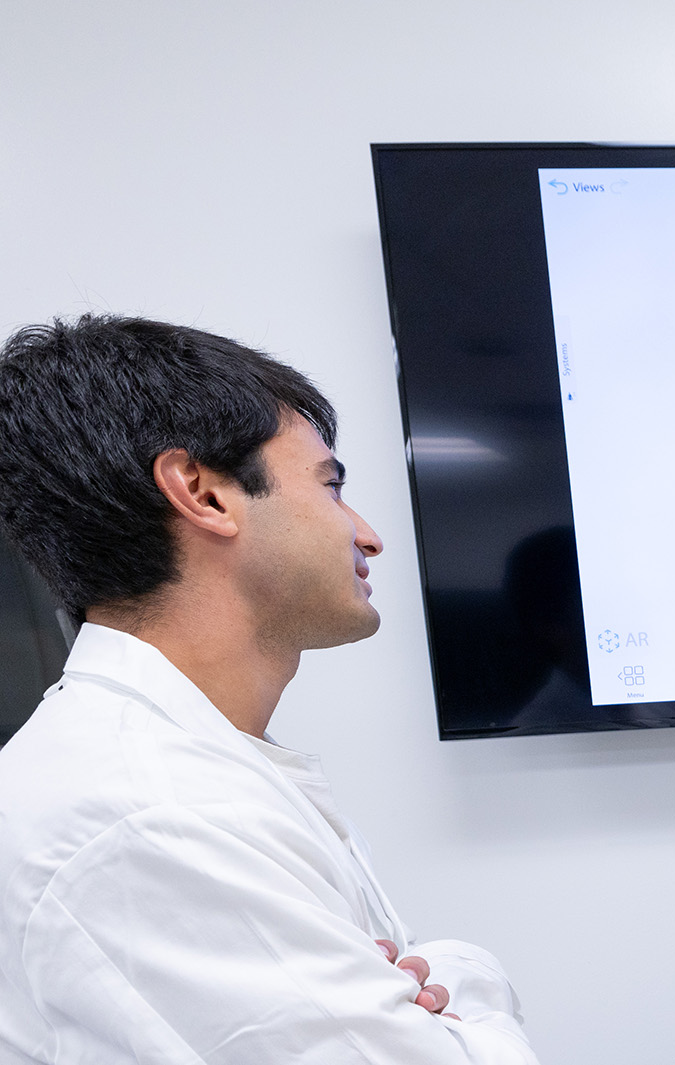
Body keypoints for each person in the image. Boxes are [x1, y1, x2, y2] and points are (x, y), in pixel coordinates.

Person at [0, 317, 538, 1063]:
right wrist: (471, 975)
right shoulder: (153, 814)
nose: (368, 534)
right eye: (331, 484)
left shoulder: (192, 764)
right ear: (204, 494)